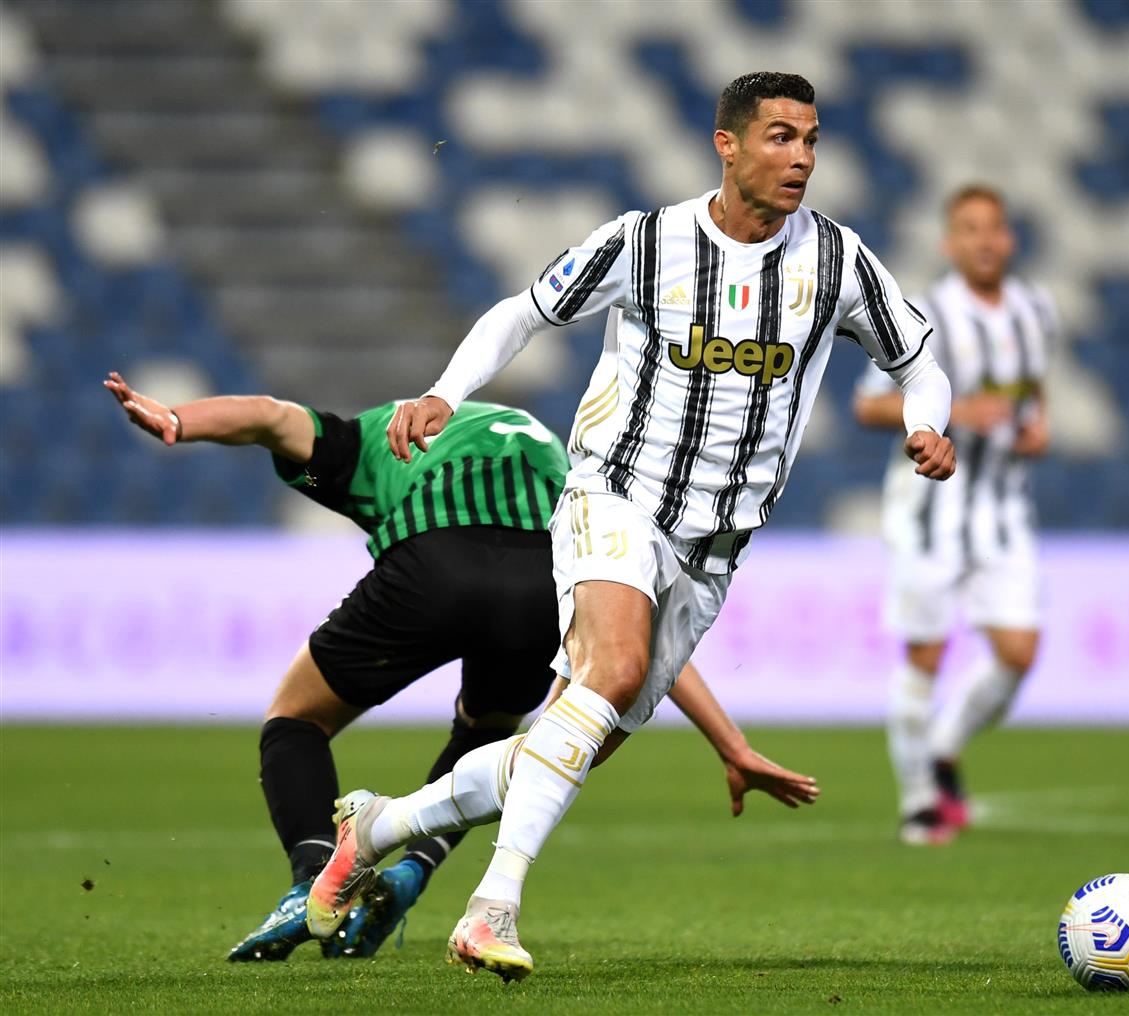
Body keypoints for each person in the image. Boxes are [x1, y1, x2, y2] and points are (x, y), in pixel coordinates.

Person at [304, 71, 956, 981]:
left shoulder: (839, 261)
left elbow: (921, 363)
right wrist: (446, 392)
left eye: (811, 139)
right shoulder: (646, 242)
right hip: (615, 495)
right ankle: (491, 909)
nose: (802, 157)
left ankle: (379, 825)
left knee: (563, 749)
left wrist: (928, 423)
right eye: (780, 137)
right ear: (727, 144)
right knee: (608, 672)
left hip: (713, 551)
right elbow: (522, 313)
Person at [104, 372, 815, 962]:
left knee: (296, 717)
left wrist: (179, 420)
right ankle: (412, 870)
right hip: (541, 585)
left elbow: (266, 416)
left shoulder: (368, 439)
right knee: (497, 733)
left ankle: (310, 879)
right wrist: (732, 745)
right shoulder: (561, 461)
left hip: (432, 566)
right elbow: (630, 648)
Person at [852, 183, 1054, 846]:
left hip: (1003, 509)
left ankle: (941, 747)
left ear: (1010, 238)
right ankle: (919, 802)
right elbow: (868, 404)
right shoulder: (926, 313)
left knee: (1019, 652)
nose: (984, 240)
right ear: (949, 242)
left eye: (994, 228)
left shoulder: (1035, 310)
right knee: (927, 654)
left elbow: (1034, 390)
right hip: (929, 511)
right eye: (970, 229)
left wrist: (1037, 426)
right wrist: (954, 412)